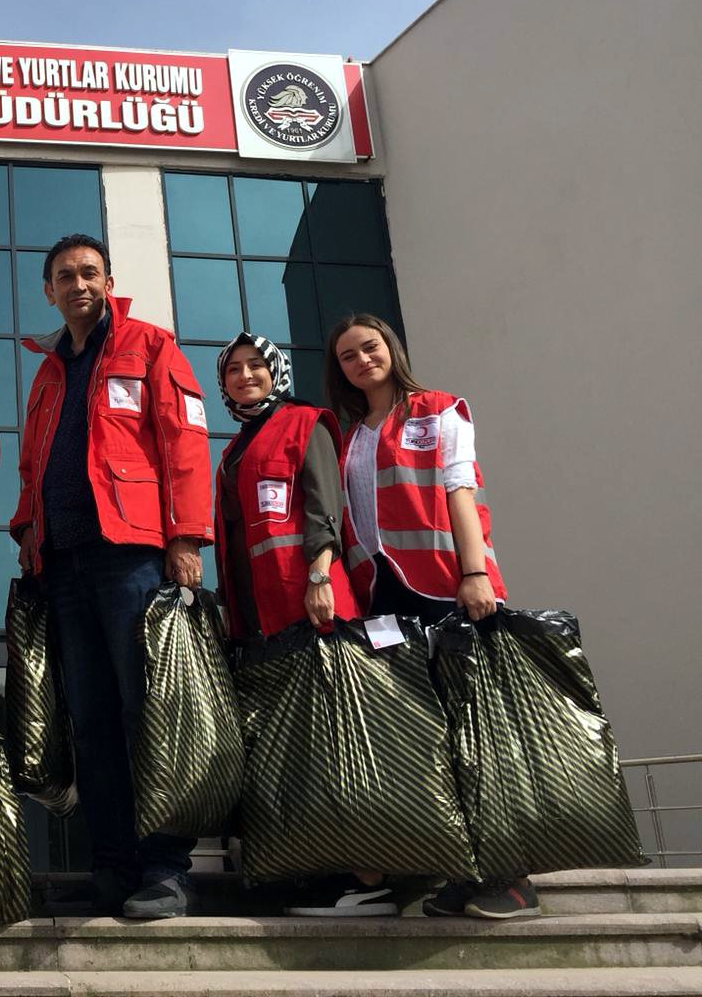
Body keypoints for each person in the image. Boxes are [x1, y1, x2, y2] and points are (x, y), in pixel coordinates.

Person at [10, 233, 213, 920]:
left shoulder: (148, 345)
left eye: (89, 273)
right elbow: (33, 465)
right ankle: (113, 864)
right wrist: (29, 532)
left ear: (108, 280)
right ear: (49, 290)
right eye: (65, 275)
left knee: (147, 712)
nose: (78, 284)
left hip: (132, 556)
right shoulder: (46, 370)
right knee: (91, 722)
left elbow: (183, 439)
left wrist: (185, 536)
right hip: (65, 564)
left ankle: (165, 867)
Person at [325, 312, 535, 921]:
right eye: (347, 356)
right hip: (383, 601)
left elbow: (459, 491)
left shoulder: (438, 409)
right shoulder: (349, 435)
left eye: (371, 348)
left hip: (446, 587)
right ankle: (459, 873)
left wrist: (475, 574)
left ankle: (511, 878)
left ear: (391, 348)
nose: (363, 360)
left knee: (475, 731)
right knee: (424, 738)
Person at [212, 331, 392, 918]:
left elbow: (324, 507)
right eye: (233, 369)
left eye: (255, 366)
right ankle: (330, 871)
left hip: (310, 604)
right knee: (297, 751)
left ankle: (373, 876)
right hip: (260, 621)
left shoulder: (305, 422)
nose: (244, 376)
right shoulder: (234, 448)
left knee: (334, 743)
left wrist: (319, 574)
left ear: (276, 371)